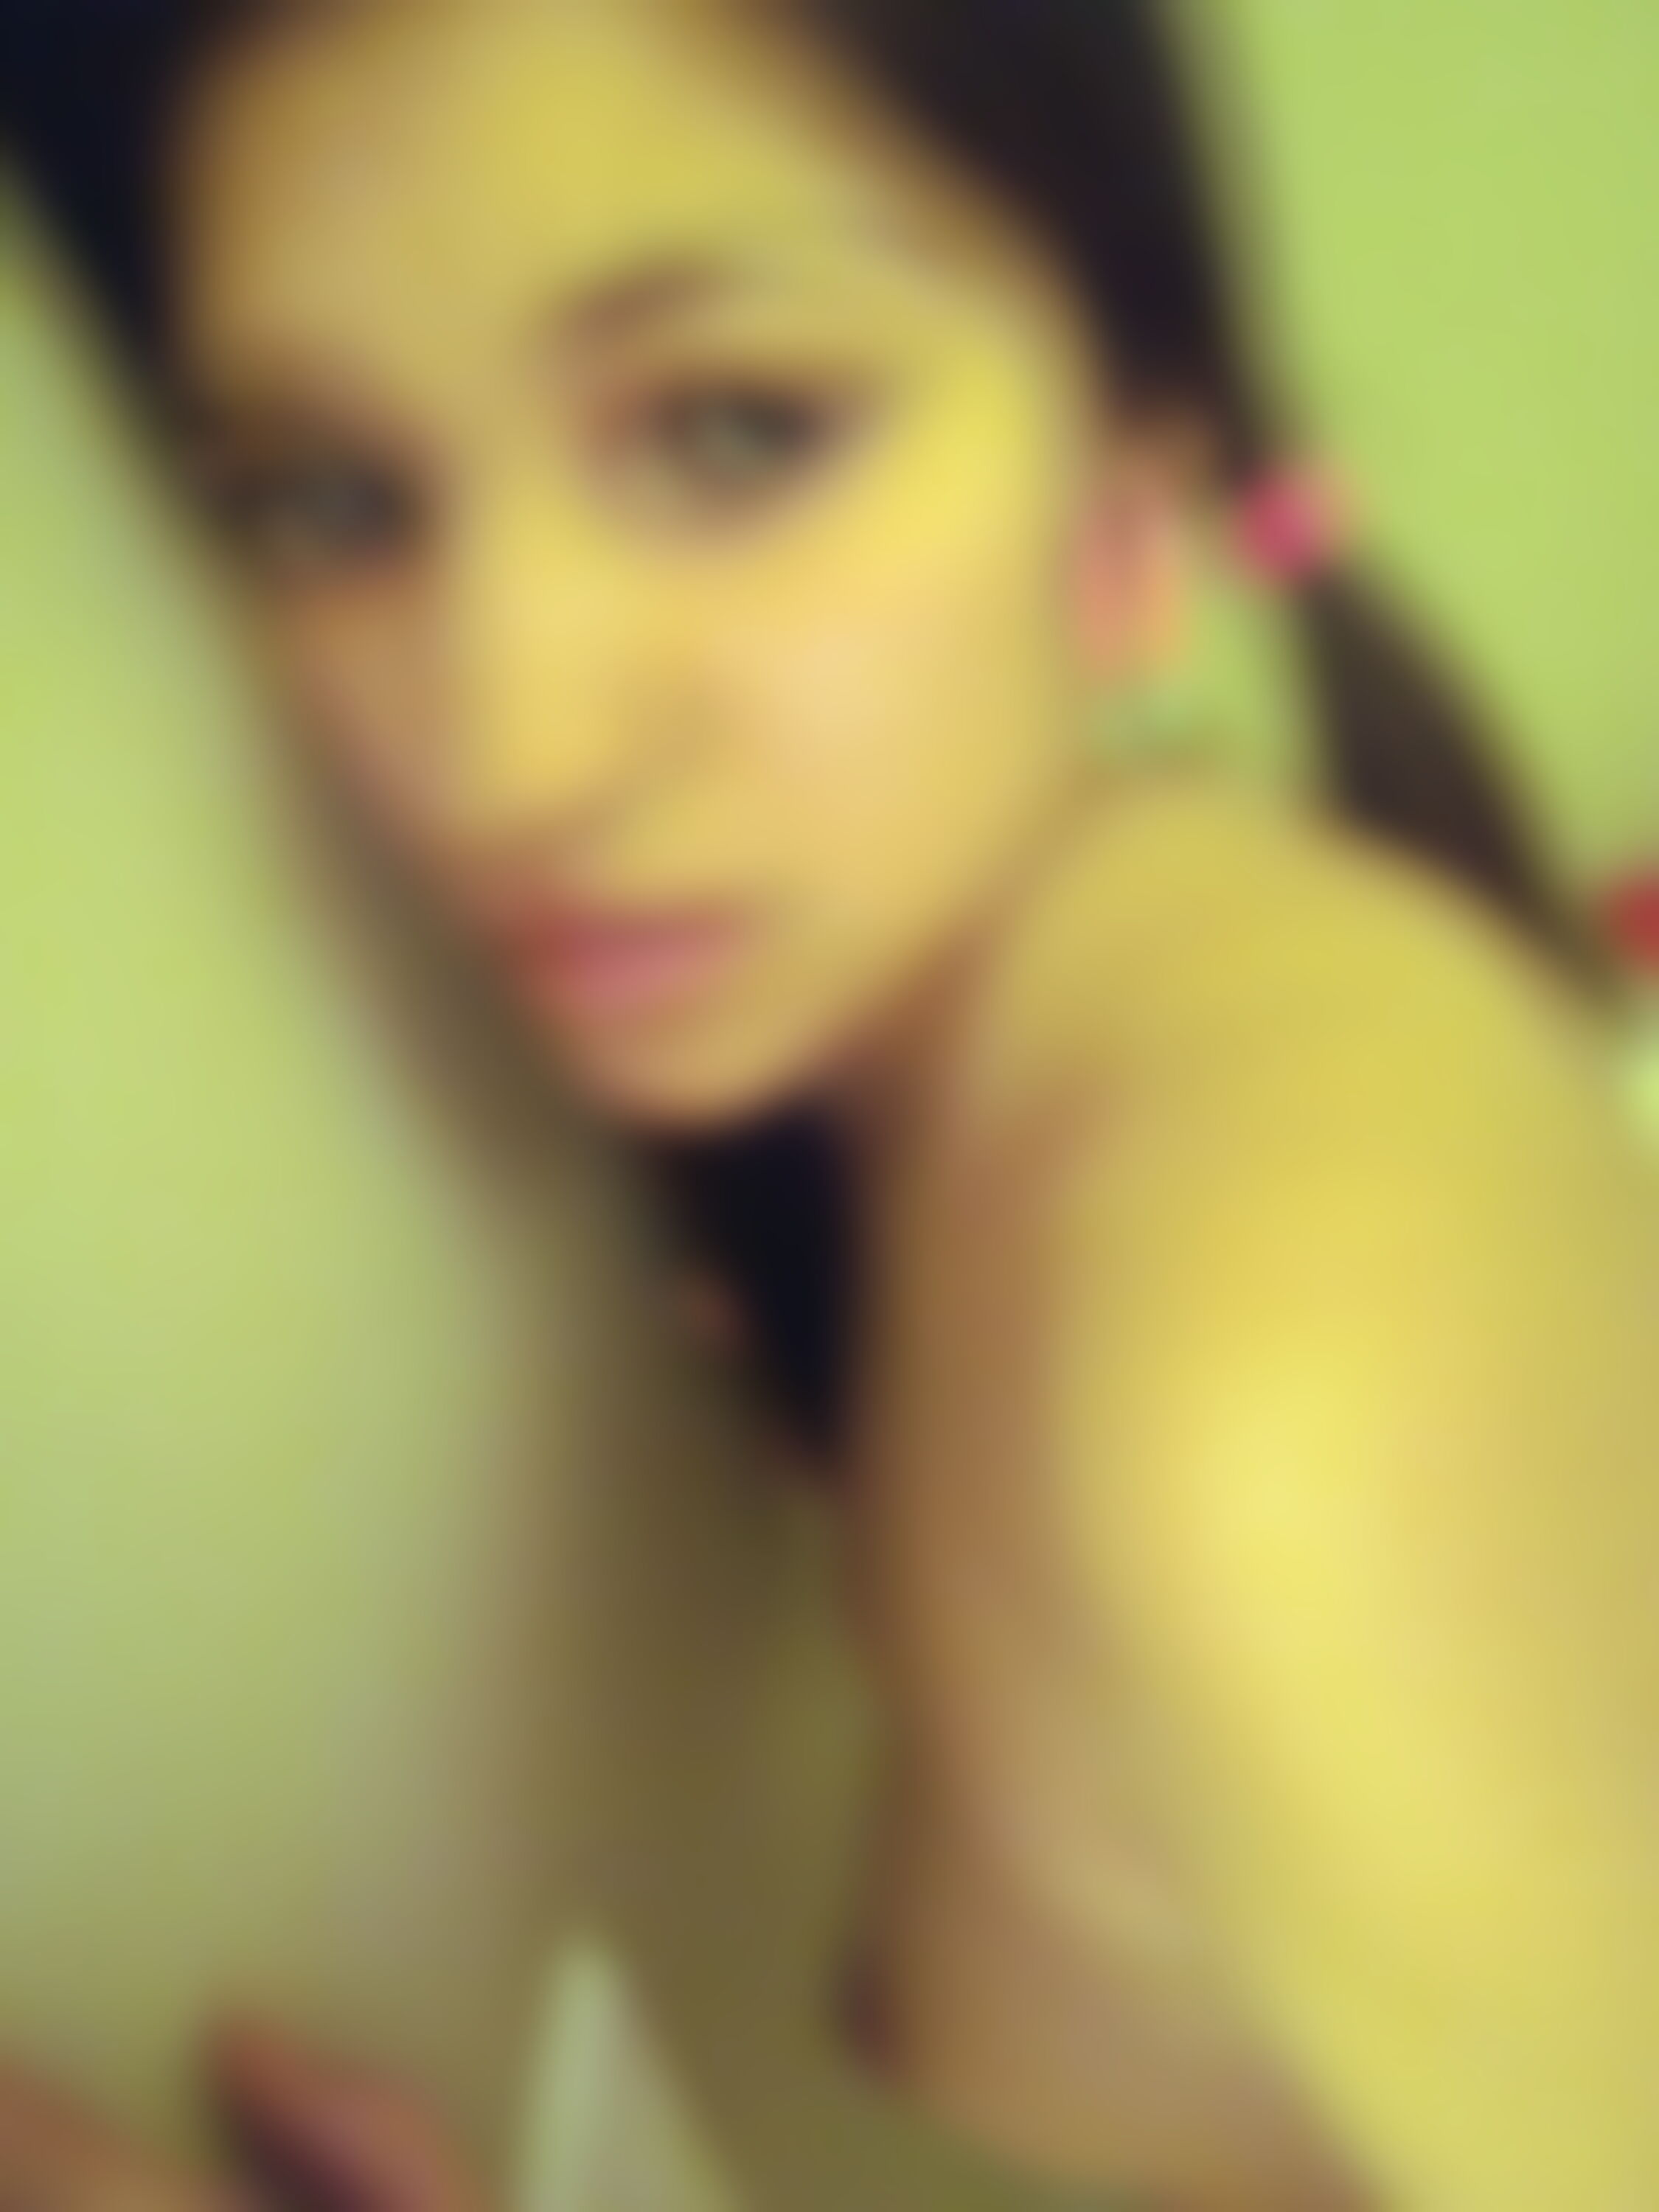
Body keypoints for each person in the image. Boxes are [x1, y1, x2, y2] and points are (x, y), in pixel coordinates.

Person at [3, 2, 1657, 2205]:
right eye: (330, 501)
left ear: (1133, 447)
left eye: (735, 431)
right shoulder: (949, 1111)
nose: (507, 753)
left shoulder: (1288, 1326)